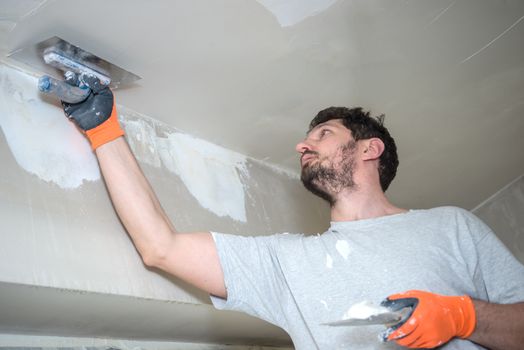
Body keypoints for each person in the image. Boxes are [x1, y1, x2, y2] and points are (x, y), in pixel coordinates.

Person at [61, 75, 524, 349]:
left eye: (322, 133)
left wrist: (464, 316)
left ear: (370, 148)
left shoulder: (451, 225)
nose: (302, 144)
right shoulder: (286, 263)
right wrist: (104, 131)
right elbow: (160, 248)